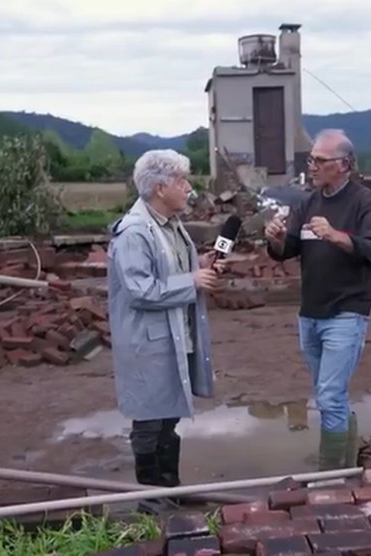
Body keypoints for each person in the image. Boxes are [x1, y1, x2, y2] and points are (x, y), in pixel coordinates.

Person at [106, 149, 223, 512]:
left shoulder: (170, 225)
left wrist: (198, 264)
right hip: (147, 342)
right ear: (160, 188)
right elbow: (141, 289)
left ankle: (170, 488)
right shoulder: (134, 232)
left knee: (168, 417)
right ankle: (150, 498)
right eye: (181, 181)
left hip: (173, 338)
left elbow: (168, 270)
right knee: (149, 420)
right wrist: (192, 280)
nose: (188, 188)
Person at [264, 129, 371, 470]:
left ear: (344, 164)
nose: (313, 166)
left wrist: (336, 236)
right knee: (331, 397)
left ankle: (329, 479)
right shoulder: (308, 203)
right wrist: (275, 240)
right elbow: (287, 249)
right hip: (311, 313)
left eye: (321, 160)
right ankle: (347, 471)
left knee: (330, 397)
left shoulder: (365, 203)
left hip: (347, 312)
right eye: (311, 159)